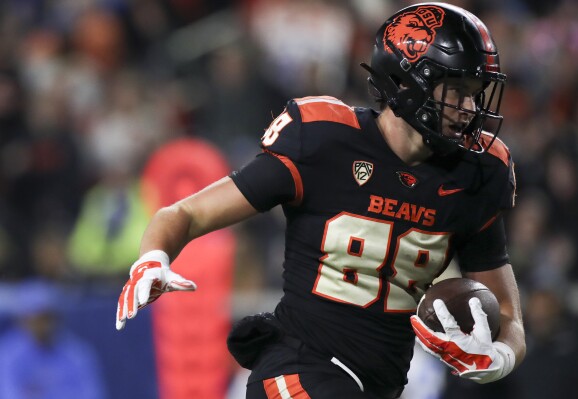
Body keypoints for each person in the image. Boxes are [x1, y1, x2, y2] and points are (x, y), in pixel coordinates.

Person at [115, 3, 526, 398]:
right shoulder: (325, 141)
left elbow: (509, 315)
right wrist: (153, 257)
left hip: (380, 384)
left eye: (474, 93)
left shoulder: (477, 174)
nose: (469, 108)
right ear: (405, 83)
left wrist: (500, 357)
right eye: (455, 90)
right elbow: (185, 213)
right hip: (298, 365)